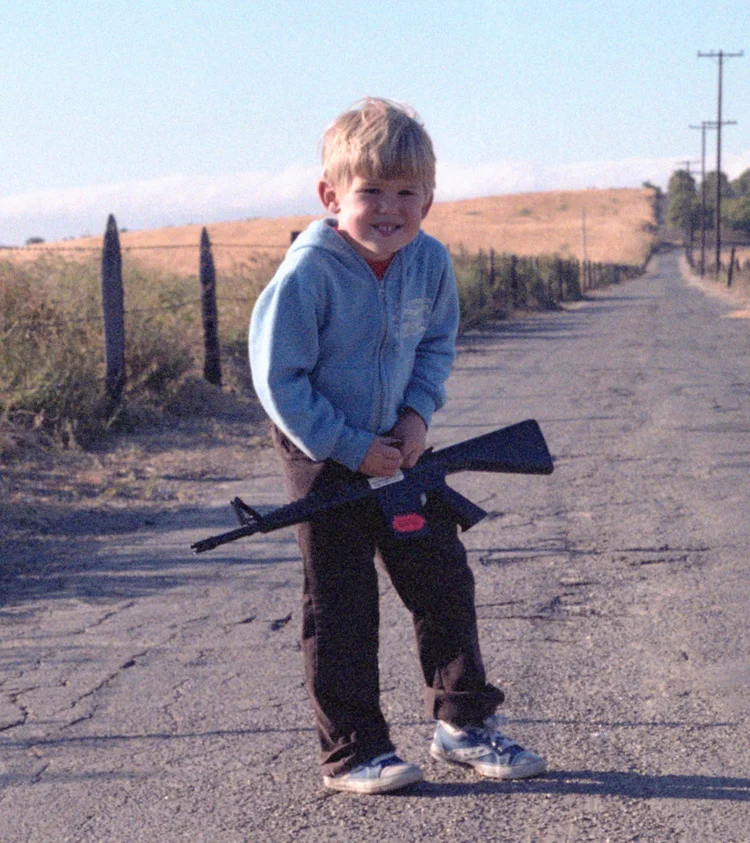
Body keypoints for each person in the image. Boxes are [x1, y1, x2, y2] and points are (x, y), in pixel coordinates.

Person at [249, 97, 546, 794]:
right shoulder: (308, 273)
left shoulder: (430, 261)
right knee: (341, 602)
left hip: (399, 446)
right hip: (320, 451)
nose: (390, 209)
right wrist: (348, 446)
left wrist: (416, 418)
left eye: (407, 193)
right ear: (331, 197)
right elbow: (279, 379)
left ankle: (463, 724)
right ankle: (354, 751)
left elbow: (436, 346)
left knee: (442, 580)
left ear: (429, 200)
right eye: (371, 192)